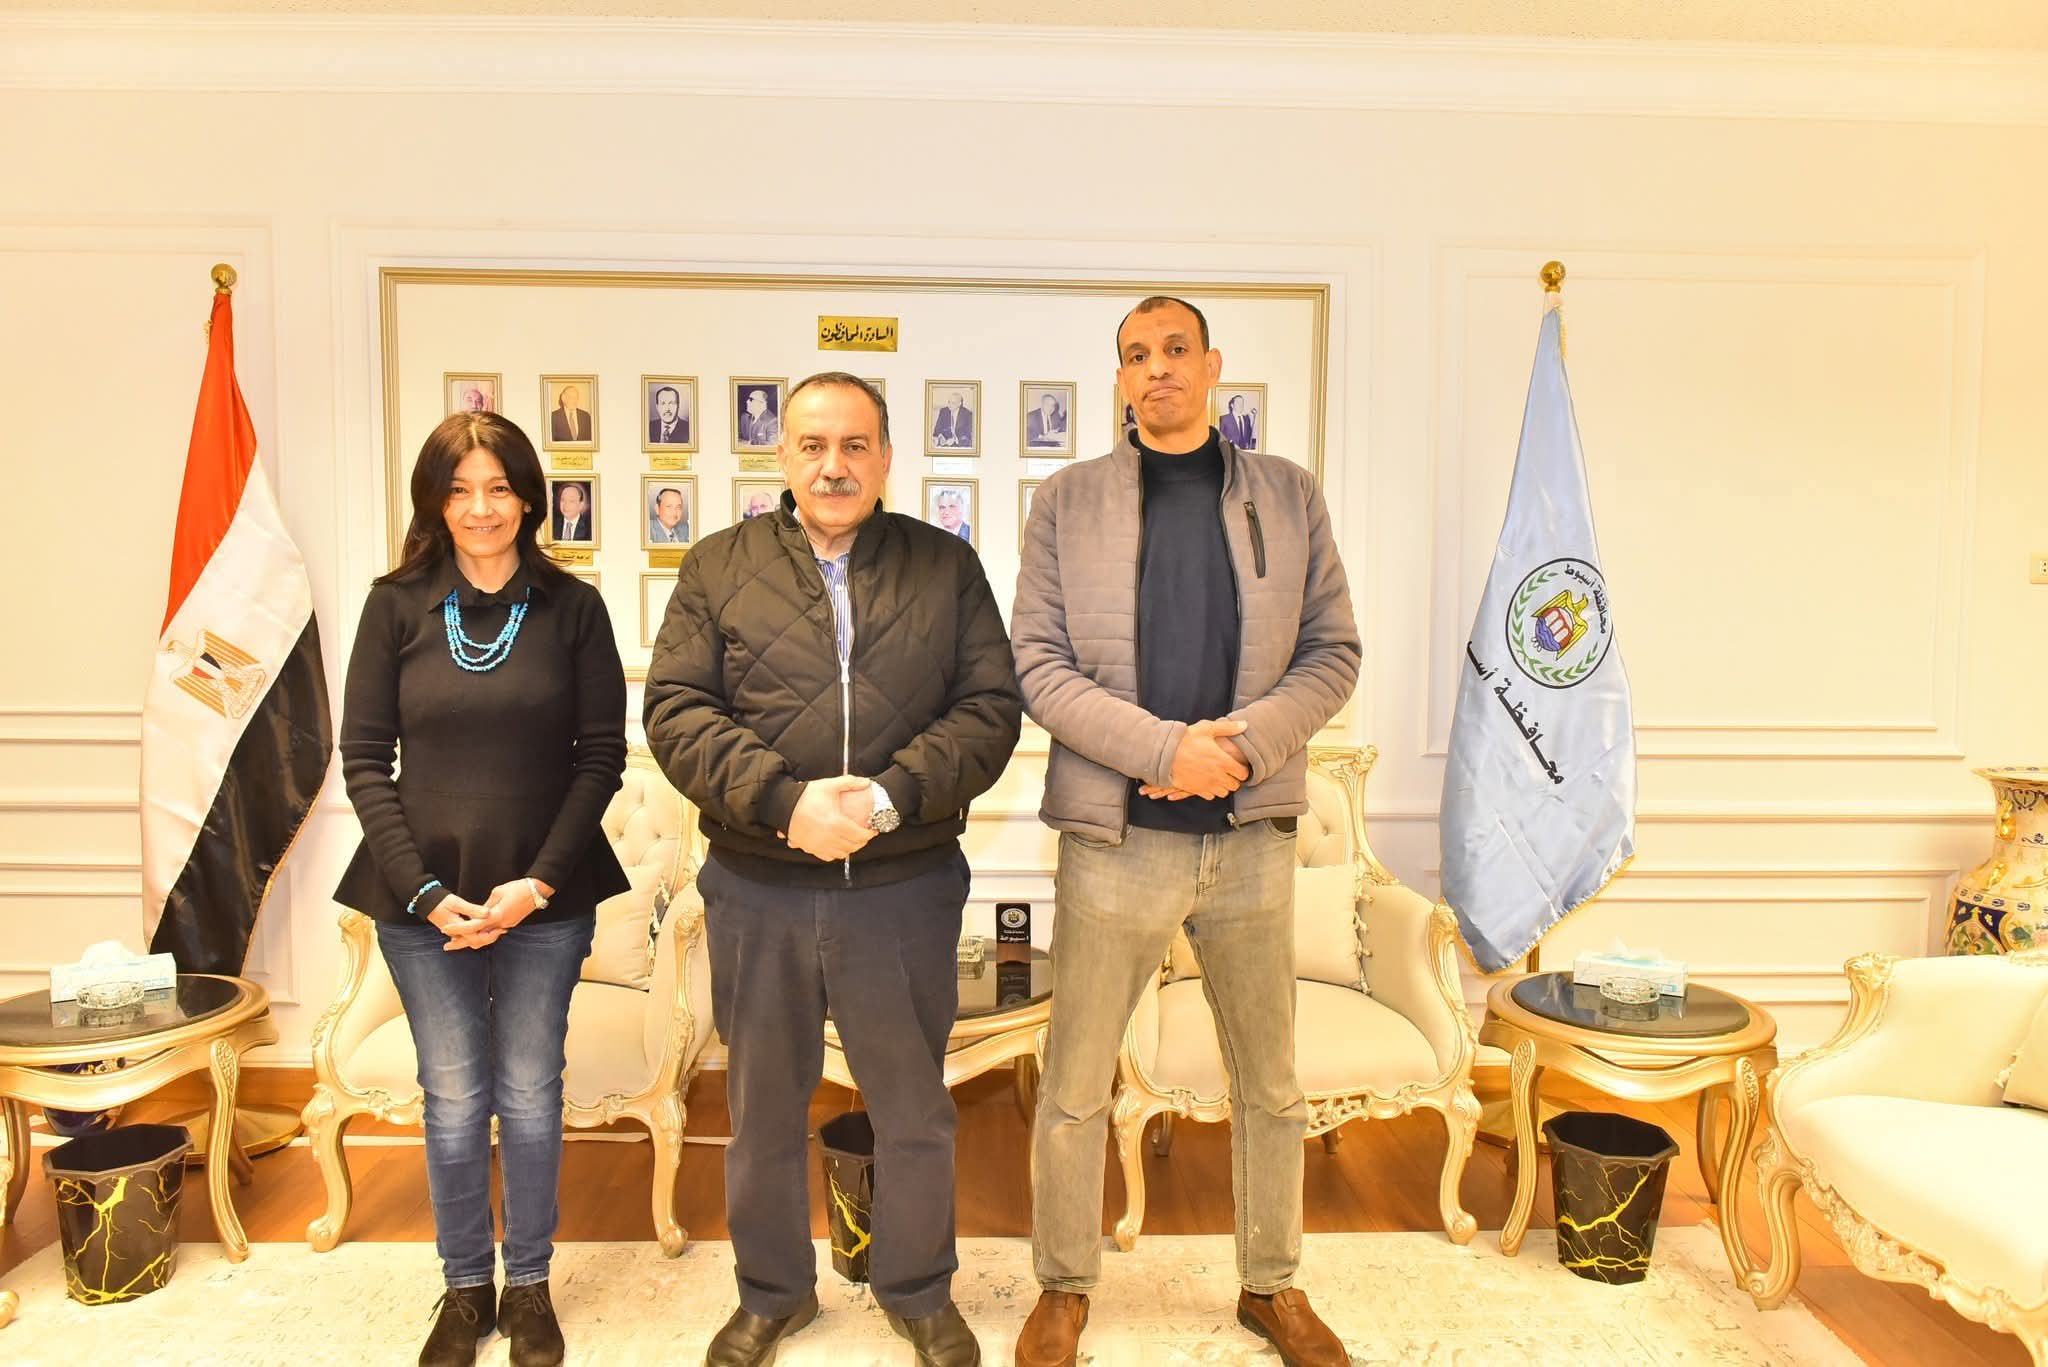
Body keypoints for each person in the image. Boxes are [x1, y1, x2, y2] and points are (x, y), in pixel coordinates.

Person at [1010, 297, 1361, 1367]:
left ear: (1212, 367)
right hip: (1115, 839)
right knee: (1077, 1083)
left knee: (1270, 1083)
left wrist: (1239, 748)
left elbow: (1333, 652)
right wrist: (1165, 751)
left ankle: (1271, 1284)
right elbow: (1038, 668)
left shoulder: (1288, 494)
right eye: (1136, 355)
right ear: (1119, 379)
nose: (1156, 367)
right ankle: (1063, 1286)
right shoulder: (1065, 502)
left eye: (1174, 350)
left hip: (1251, 837)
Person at [645, 372, 1021, 1367]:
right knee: (762, 1111)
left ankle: (918, 1290)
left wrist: (886, 799)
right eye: (813, 445)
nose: (833, 465)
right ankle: (772, 1293)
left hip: (901, 887)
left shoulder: (946, 565)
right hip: (758, 886)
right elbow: (676, 710)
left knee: (913, 1109)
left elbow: (990, 710)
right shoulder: (718, 566)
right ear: (782, 456)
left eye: (855, 445)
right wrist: (786, 803)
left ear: (886, 457)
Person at [334, 410, 628, 1367]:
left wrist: (536, 885)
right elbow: (364, 760)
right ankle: (466, 1289)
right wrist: (423, 892)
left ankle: (529, 1284)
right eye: (458, 490)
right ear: (434, 502)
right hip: (422, 901)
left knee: (532, 1093)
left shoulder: (574, 609)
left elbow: (600, 759)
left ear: (530, 498)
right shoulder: (394, 606)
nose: (480, 508)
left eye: (499, 487)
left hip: (545, 898)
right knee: (455, 1096)